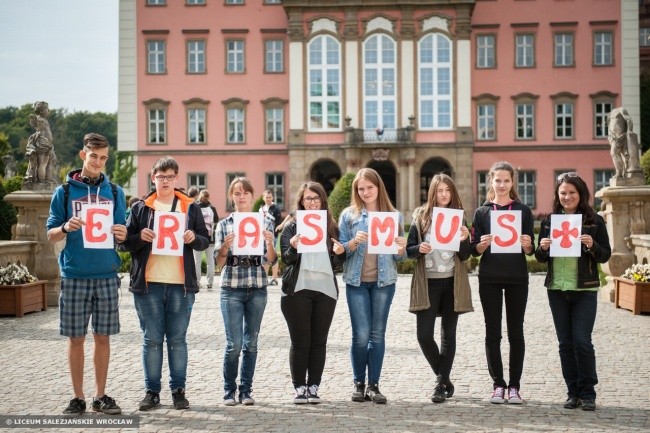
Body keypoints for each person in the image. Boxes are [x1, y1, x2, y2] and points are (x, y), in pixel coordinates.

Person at [119, 156, 209, 411]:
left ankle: (178, 390)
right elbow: (124, 243)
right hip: (148, 285)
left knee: (178, 340)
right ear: (153, 178)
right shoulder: (140, 208)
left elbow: (205, 240)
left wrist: (193, 238)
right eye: (161, 176)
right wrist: (140, 238)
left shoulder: (190, 208)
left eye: (170, 176)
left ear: (177, 178)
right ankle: (152, 392)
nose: (166, 181)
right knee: (152, 339)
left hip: (181, 284)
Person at [46, 132, 127, 415]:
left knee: (103, 337)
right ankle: (78, 397)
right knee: (76, 338)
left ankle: (100, 395)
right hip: (74, 274)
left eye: (104, 158)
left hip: (106, 274)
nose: (98, 162)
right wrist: (66, 227)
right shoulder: (64, 192)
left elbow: (122, 234)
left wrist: (123, 233)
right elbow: (50, 235)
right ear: (83, 155)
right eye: (94, 156)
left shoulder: (115, 192)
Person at [535, 172, 611, 411]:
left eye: (572, 193)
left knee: (582, 342)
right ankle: (573, 392)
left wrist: (592, 245)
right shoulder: (550, 221)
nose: (567, 197)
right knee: (565, 343)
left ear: (581, 194)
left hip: (584, 288)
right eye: (563, 193)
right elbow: (539, 258)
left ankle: (588, 393)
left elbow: (605, 254)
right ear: (558, 196)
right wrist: (543, 248)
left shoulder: (595, 221)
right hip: (557, 288)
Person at [338, 168, 407, 404]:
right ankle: (358, 383)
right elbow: (340, 252)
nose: (366, 192)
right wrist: (352, 243)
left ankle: (374, 385)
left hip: (383, 282)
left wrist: (401, 247)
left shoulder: (394, 216)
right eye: (361, 188)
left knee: (377, 335)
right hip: (356, 282)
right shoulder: (349, 216)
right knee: (360, 335)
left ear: (379, 187)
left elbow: (399, 258)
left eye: (370, 187)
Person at [470, 161, 535, 405]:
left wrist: (527, 244)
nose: (502, 184)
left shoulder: (523, 211)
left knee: (516, 333)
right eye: (497, 180)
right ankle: (498, 384)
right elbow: (473, 250)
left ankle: (515, 386)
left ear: (512, 182)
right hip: (489, 278)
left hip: (517, 276)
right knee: (493, 333)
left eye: (506, 180)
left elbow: (530, 250)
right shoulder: (482, 212)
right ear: (491, 181)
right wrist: (481, 245)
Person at [406, 174, 473, 403]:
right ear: (432, 193)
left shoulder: (459, 217)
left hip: (452, 281)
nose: (443, 194)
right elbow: (409, 250)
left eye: (447, 190)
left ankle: (440, 384)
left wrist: (466, 239)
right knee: (424, 335)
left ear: (452, 193)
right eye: (439, 190)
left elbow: (465, 256)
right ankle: (445, 380)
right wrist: (419, 248)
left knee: (448, 334)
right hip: (429, 282)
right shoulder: (421, 216)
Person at [280, 182, 346, 404]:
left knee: (319, 341)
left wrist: (340, 252)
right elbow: (285, 260)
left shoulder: (331, 227)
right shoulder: (292, 227)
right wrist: (293, 247)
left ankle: (314, 386)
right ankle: (299, 387)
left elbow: (337, 263)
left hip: (325, 289)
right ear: (301, 201)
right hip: (298, 289)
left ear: (323, 201)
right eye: (308, 198)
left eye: (316, 198)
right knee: (301, 341)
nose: (312, 202)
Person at [215, 177, 277, 406]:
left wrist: (270, 243)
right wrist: (224, 248)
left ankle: (246, 390)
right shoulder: (224, 224)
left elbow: (270, 261)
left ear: (253, 196)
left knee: (251, 343)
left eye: (245, 193)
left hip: (257, 287)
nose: (241, 197)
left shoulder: (265, 223)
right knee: (234, 344)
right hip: (231, 287)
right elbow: (218, 263)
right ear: (232, 197)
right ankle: (229, 390)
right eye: (237, 193)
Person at [193, 189, 219, 289]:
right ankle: (210, 282)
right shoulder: (212, 208)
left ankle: (197, 282)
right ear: (208, 197)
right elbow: (216, 220)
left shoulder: (195, 207)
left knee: (197, 261)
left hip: (197, 238)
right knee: (210, 261)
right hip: (210, 238)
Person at [260, 189, 282, 285]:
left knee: (273, 257)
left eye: (269, 197)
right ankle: (264, 277)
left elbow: (278, 224)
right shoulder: (261, 209)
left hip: (272, 237)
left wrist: (275, 235)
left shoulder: (276, 209)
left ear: (272, 197)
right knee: (264, 256)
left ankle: (274, 278)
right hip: (262, 237)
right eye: (266, 197)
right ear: (263, 198)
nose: (268, 199)